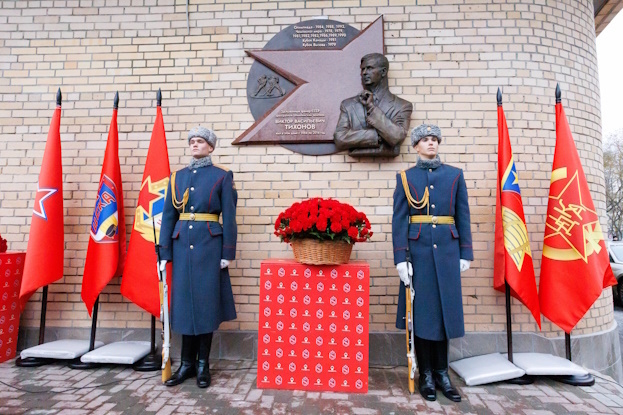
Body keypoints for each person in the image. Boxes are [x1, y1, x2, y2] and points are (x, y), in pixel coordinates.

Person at [392, 124, 473, 402]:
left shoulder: (454, 176)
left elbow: (462, 215)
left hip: (448, 253)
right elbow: (400, 220)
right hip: (419, 255)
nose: (430, 144)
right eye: (425, 140)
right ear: (415, 146)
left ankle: (442, 372)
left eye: (434, 139)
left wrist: (465, 253)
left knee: (444, 315)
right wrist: (401, 258)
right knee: (423, 315)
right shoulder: (406, 178)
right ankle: (425, 372)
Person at [158, 126, 238, 388]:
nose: (195, 145)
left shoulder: (221, 177)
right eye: (192, 141)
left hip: (209, 248)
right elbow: (169, 217)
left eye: (200, 141)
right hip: (182, 249)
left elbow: (229, 217)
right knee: (183, 308)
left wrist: (227, 253)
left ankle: (203, 365)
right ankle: (186, 365)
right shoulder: (177, 178)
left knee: (205, 307)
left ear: (210, 147)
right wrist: (164, 253)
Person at [333, 53, 413, 157]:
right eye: (363, 69)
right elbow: (340, 138)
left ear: (383, 72)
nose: (364, 73)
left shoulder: (402, 106)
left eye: (370, 68)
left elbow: (396, 137)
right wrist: (377, 136)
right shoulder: (348, 105)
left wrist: (371, 108)